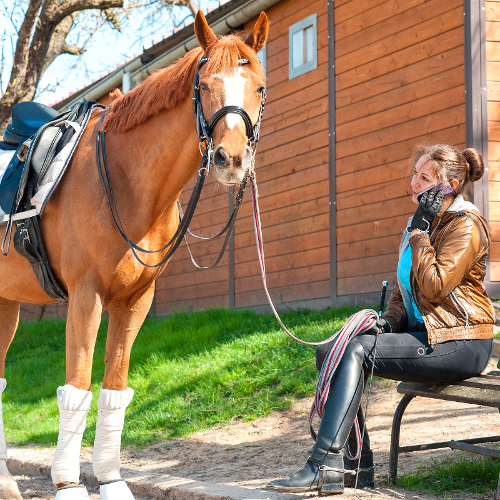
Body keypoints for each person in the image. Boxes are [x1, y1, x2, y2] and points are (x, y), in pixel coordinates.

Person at [266, 144, 495, 495]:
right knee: (331, 351)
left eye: (424, 177)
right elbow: (405, 292)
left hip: (460, 342)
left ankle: (323, 464)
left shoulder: (465, 226)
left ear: (447, 186)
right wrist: (388, 322)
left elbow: (434, 287)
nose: (413, 183)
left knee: (356, 351)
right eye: (414, 174)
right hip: (426, 337)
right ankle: (355, 467)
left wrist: (419, 234)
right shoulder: (418, 224)